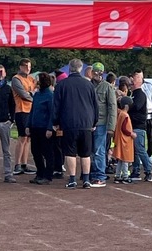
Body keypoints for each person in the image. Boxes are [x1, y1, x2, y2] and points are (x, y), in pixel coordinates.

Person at [52, 58, 98, 189]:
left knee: (70, 152)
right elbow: (95, 106)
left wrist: (55, 122)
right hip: (86, 123)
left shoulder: (62, 85)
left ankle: (72, 179)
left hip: (69, 123)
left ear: (70, 69)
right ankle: (86, 179)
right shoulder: (89, 85)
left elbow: (56, 106)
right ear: (81, 68)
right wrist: (94, 121)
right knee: (86, 153)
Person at [25, 73, 55, 185]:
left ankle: (48, 175)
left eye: (37, 81)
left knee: (47, 153)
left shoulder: (50, 95)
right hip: (35, 127)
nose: (36, 83)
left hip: (44, 128)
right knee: (35, 151)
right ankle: (40, 173)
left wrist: (49, 128)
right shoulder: (37, 95)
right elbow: (32, 111)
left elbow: (52, 114)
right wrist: (28, 125)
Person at [90, 62, 116, 188]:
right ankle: (92, 173)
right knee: (90, 150)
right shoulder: (88, 85)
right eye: (95, 71)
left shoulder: (107, 87)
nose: (97, 74)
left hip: (101, 123)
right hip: (89, 123)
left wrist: (111, 126)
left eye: (99, 72)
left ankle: (100, 176)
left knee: (99, 150)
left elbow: (112, 107)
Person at [11, 59, 37, 176]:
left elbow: (36, 90)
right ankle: (17, 165)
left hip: (31, 110)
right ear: (20, 67)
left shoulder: (31, 78)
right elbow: (23, 94)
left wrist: (31, 94)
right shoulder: (16, 79)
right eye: (26, 66)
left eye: (29, 66)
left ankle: (24, 164)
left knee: (28, 138)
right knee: (22, 137)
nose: (28, 68)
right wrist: (33, 95)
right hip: (21, 110)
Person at [129, 71, 152, 182]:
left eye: (133, 79)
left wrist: (126, 104)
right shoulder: (133, 94)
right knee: (134, 151)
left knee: (140, 149)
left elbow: (137, 106)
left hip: (138, 126)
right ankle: (136, 170)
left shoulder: (140, 94)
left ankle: (148, 171)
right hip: (133, 125)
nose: (131, 81)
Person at [112, 96, 135, 184]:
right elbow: (124, 129)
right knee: (125, 160)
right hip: (125, 141)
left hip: (120, 139)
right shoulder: (125, 115)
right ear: (126, 106)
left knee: (120, 160)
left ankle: (117, 175)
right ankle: (125, 176)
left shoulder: (120, 114)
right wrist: (131, 134)